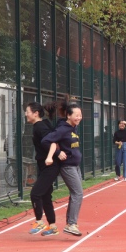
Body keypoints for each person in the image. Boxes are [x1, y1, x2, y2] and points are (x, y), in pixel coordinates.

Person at [41, 102, 84, 237]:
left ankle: (71, 223)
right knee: (78, 193)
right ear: (68, 116)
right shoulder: (62, 129)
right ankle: (71, 224)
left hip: (75, 165)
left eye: (80, 115)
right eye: (76, 115)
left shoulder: (73, 127)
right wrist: (57, 153)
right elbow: (46, 141)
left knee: (76, 194)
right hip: (67, 166)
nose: (79, 118)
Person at [26, 101, 63, 236]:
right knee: (46, 195)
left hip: (50, 166)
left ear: (35, 113)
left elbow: (52, 142)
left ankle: (39, 221)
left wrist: (52, 155)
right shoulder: (43, 124)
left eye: (27, 112)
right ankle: (52, 226)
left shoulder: (40, 127)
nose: (26, 114)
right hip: (44, 165)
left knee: (35, 194)